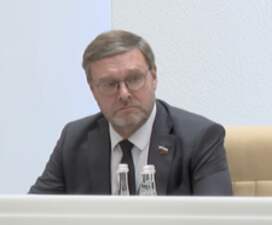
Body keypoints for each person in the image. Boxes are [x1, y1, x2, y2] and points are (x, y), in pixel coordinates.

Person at [29, 30, 232, 195]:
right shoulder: (74, 140)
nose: (124, 94)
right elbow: (34, 216)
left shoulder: (199, 138)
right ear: (92, 90)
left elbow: (215, 222)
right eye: (110, 84)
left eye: (134, 79)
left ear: (154, 77)